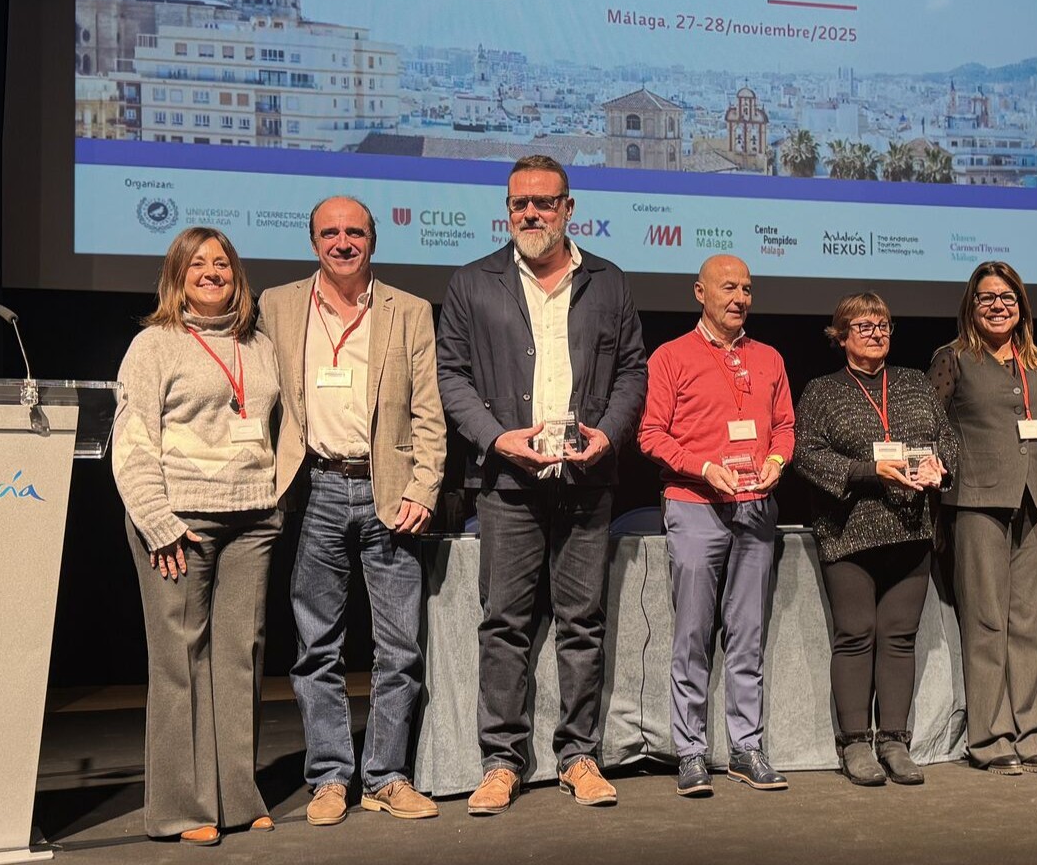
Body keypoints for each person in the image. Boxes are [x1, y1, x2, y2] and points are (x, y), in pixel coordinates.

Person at [435, 155, 647, 813]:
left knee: (582, 624)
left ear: (568, 208)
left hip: (586, 481)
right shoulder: (474, 283)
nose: (531, 213)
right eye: (519, 203)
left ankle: (578, 756)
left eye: (544, 203)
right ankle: (501, 760)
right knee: (505, 624)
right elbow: (452, 377)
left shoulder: (608, 283)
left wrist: (608, 433)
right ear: (508, 209)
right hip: (507, 483)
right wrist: (499, 438)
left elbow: (633, 373)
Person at [260, 196, 445, 824]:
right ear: (313, 242)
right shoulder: (276, 306)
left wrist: (424, 487)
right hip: (314, 489)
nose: (343, 242)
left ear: (373, 240)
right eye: (330, 232)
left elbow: (429, 412)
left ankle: (387, 776)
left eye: (355, 232)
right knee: (317, 647)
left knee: (400, 649)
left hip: (388, 492)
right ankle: (331, 779)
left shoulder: (409, 311)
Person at [110, 227, 282, 846]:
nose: (212, 272)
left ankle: (238, 796)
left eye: (222, 263)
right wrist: (157, 520)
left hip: (254, 517)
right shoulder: (153, 345)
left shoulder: (257, 343)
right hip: (179, 520)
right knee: (180, 662)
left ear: (236, 275)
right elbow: (130, 442)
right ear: (177, 276)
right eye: (198, 263)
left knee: (241, 657)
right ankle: (183, 809)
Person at [636, 254, 795, 797]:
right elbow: (651, 435)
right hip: (694, 503)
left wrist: (777, 462)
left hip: (756, 510)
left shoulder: (770, 358)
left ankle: (746, 748)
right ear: (698, 292)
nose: (740, 298)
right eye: (729, 287)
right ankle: (691, 752)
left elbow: (785, 427)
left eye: (747, 289)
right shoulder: (670, 356)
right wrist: (703, 468)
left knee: (747, 636)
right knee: (693, 635)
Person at [793, 292, 955, 787]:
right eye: (864, 326)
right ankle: (855, 744)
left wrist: (939, 468)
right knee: (857, 634)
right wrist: (870, 471)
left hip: (910, 530)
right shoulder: (822, 390)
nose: (876, 333)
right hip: (851, 531)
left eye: (883, 325)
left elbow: (946, 441)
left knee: (900, 639)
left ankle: (894, 741)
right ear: (840, 335)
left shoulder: (913, 384)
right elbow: (806, 454)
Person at [929, 261, 1037, 777]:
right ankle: (989, 738)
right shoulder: (952, 359)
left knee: (1031, 622)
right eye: (987, 297)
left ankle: (1035, 736)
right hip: (977, 502)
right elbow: (933, 430)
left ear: (1022, 304)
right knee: (987, 623)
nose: (998, 306)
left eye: (1007, 297)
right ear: (971, 304)